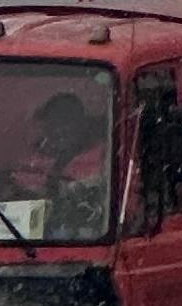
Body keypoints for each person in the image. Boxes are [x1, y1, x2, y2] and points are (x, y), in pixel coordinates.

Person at [14, 87, 111, 239]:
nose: (59, 130)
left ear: (82, 124)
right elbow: (14, 198)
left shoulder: (104, 158)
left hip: (87, 238)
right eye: (53, 123)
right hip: (31, 241)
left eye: (66, 122)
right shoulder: (32, 161)